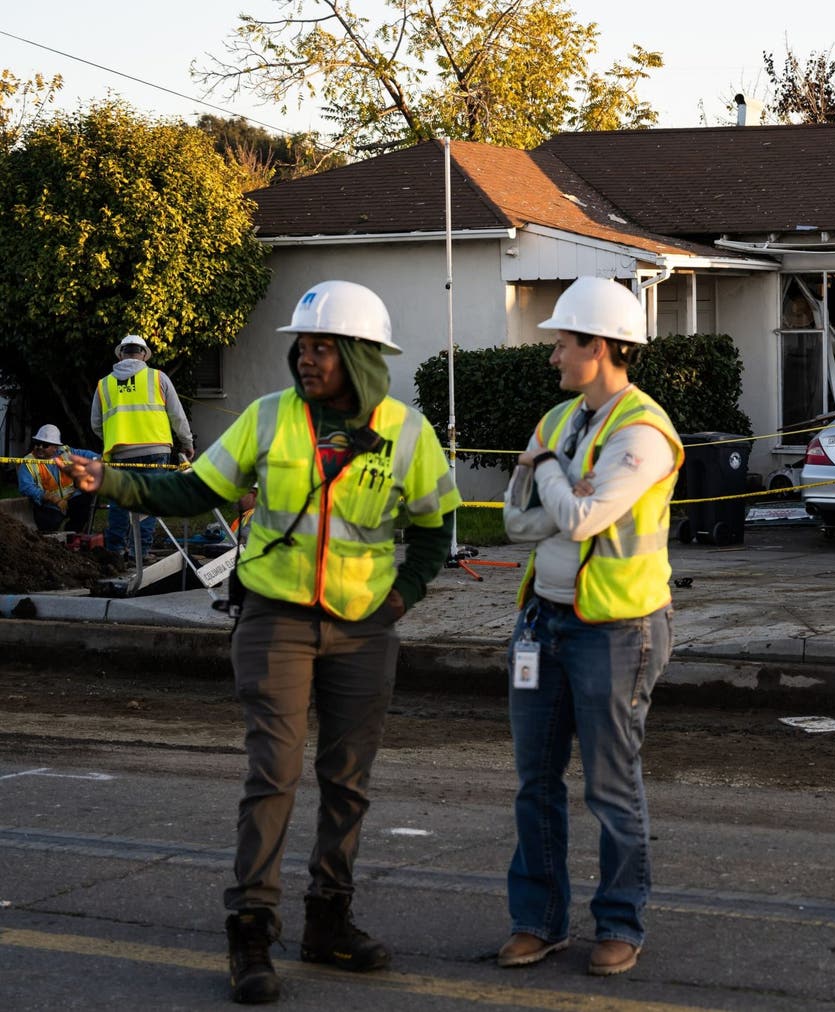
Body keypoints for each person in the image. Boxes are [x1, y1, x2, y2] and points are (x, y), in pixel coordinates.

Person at [61, 280, 461, 1004]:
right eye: (301, 347)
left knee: (347, 782)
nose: (305, 360)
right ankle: (251, 927)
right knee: (273, 776)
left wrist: (404, 596)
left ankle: (328, 922)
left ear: (360, 355)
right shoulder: (268, 418)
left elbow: (437, 530)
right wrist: (113, 481)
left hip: (364, 630)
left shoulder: (407, 432)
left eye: (321, 348)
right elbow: (193, 491)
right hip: (274, 620)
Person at [497, 276, 681, 977]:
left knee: (610, 784)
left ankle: (619, 923)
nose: (553, 358)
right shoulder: (559, 419)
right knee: (534, 781)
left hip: (616, 628)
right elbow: (518, 520)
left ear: (599, 346)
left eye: (563, 343)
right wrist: (560, 481)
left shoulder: (643, 434)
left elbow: (581, 519)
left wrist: (547, 471)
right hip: (541, 620)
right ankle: (537, 923)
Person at [90, 333, 195, 556]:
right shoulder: (158, 378)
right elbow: (177, 415)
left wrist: (114, 437)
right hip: (155, 449)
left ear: (121, 355)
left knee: (119, 503)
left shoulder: (104, 384)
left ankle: (116, 550)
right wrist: (186, 443)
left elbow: (96, 424)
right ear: (144, 355)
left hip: (119, 452)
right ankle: (140, 552)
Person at [17, 424, 98, 533]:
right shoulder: (28, 462)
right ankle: (52, 543)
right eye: (37, 443)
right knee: (48, 525)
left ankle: (72, 536)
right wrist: (52, 498)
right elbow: (26, 487)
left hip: (70, 499)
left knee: (84, 503)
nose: (40, 447)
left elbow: (86, 455)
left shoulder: (64, 452)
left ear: (55, 447)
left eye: (45, 445)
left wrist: (102, 459)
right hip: (48, 505)